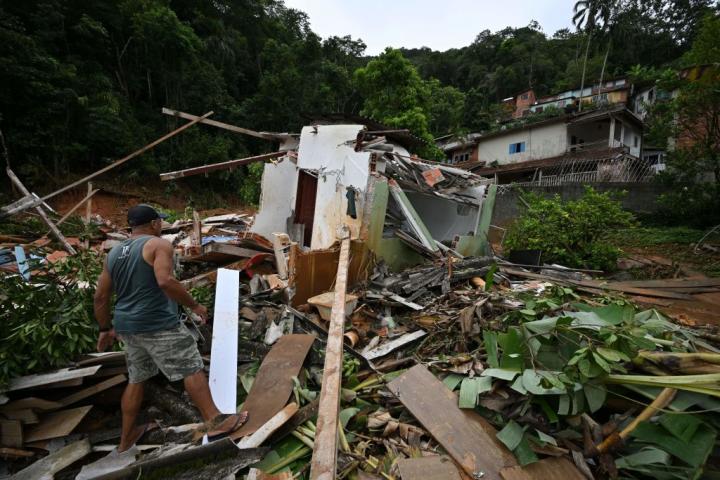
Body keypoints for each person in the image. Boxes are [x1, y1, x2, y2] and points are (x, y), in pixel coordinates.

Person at [93, 204, 247, 452]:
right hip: (156, 323)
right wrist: (195, 305)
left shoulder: (114, 253)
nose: (161, 226)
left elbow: (100, 297)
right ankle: (216, 421)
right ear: (154, 224)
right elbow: (165, 280)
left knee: (137, 378)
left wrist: (104, 328)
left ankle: (126, 438)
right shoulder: (158, 245)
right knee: (191, 367)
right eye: (160, 222)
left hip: (127, 326)